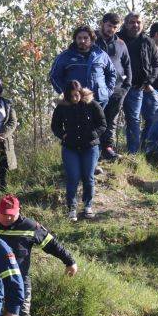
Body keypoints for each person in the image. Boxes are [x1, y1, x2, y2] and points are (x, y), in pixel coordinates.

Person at [0, 195, 77, 316]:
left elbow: (52, 244)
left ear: (19, 211)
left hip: (20, 281)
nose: (7, 218)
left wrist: (69, 261)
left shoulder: (30, 227)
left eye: (11, 214)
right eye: (4, 214)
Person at [51, 80, 106, 221]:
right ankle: (72, 208)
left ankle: (88, 206)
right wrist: (62, 134)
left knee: (88, 177)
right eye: (71, 96)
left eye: (77, 95)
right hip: (70, 147)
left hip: (90, 146)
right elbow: (55, 126)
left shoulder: (92, 104)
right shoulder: (62, 107)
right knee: (73, 177)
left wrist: (93, 134)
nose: (75, 98)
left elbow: (102, 123)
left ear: (81, 92)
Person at [119, 13, 158, 154]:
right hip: (117, 87)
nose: (135, 25)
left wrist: (149, 81)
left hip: (137, 87)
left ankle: (133, 153)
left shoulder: (147, 41)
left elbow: (156, 63)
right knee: (109, 118)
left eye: (138, 22)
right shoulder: (117, 39)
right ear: (125, 23)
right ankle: (107, 150)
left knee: (133, 120)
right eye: (132, 22)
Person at [95, 13, 132, 160]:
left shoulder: (121, 44)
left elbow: (127, 65)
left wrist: (126, 86)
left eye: (115, 27)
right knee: (95, 120)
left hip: (117, 89)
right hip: (96, 90)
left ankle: (108, 149)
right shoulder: (91, 40)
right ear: (103, 24)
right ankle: (94, 150)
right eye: (109, 25)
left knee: (111, 120)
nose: (111, 29)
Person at [50, 25, 116, 108]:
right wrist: (66, 93)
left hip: (99, 101)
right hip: (75, 102)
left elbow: (112, 73)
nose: (82, 41)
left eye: (85, 38)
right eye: (79, 38)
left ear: (91, 39)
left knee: (101, 121)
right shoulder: (65, 56)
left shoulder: (101, 55)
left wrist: (107, 91)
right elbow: (54, 76)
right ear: (75, 39)